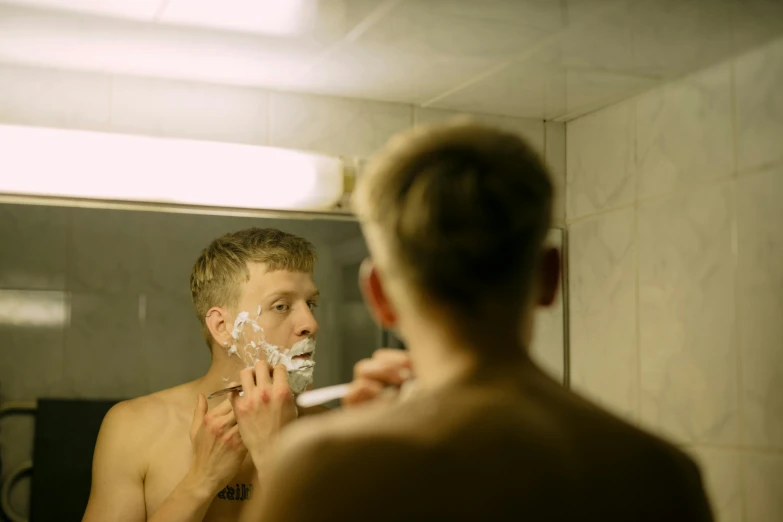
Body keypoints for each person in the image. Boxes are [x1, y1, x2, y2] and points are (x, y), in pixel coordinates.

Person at [232, 122, 715, 521]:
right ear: (550, 276)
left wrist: (291, 460)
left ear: (379, 296)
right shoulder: (658, 471)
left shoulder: (328, 466)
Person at [81, 228, 376, 522]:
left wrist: (274, 457)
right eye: (281, 306)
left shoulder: (332, 435)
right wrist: (201, 481)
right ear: (222, 327)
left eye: (310, 304)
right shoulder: (136, 427)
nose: (310, 323)